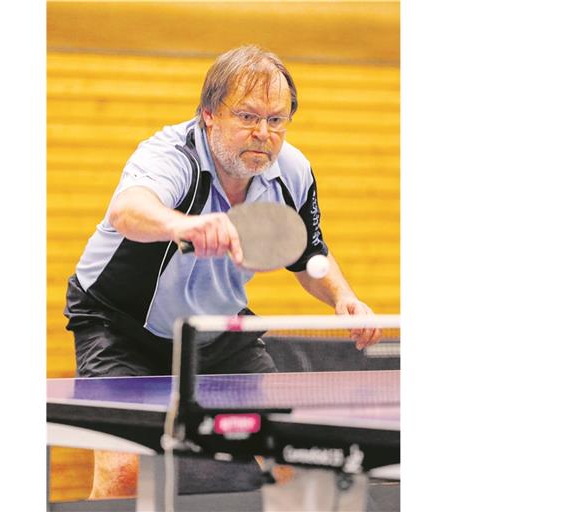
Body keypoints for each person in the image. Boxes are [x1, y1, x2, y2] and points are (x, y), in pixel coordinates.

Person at [63, 44, 382, 497]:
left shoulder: (293, 172)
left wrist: (343, 297)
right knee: (123, 474)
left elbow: (308, 254)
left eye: (276, 120)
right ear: (210, 114)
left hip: (216, 332)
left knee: (296, 455)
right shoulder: (172, 155)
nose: (263, 134)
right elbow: (127, 211)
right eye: (247, 117)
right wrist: (183, 223)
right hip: (122, 327)